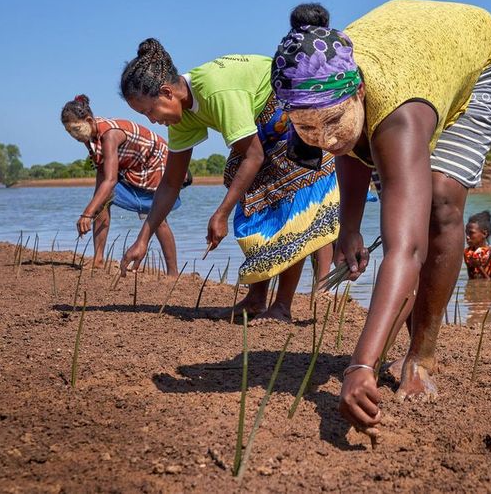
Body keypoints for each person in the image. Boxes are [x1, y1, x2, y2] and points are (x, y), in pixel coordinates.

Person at [271, 0, 491, 433]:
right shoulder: (315, 85)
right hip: (407, 57)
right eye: (306, 127)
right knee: (378, 167)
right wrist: (348, 228)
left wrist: (360, 366)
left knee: (439, 202)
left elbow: (406, 249)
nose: (323, 138)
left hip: (478, 58)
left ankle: (422, 353)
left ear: (360, 92)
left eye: (331, 119)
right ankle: (394, 340)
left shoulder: (397, 114)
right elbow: (349, 142)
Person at [118, 38, 339, 322]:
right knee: (249, 195)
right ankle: (257, 299)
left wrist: (221, 213)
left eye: (149, 111)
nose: (150, 120)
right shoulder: (181, 116)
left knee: (289, 205)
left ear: (167, 92)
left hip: (286, 110)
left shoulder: (215, 90)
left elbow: (254, 156)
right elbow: (171, 182)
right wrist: (143, 239)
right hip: (260, 127)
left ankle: (281, 306)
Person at [60, 94, 181, 275]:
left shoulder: (110, 135)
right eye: (69, 132)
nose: (74, 135)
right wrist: (95, 205)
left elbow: (110, 180)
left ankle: (173, 273)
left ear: (89, 120)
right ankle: (98, 259)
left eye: (76, 129)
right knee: (102, 201)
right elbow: (103, 175)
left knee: (157, 216)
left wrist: (87, 213)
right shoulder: (90, 138)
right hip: (133, 167)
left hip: (155, 164)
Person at [463, 210, 491, 280]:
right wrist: (471, 266)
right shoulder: (468, 252)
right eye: (466, 233)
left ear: (484, 234)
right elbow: (471, 279)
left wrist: (478, 267)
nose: (467, 237)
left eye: (471, 233)